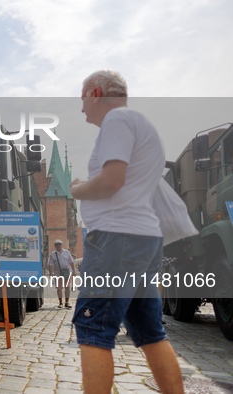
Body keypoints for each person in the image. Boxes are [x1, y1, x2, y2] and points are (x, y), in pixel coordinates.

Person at [69, 70, 183, 393]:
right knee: (150, 333)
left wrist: (77, 189)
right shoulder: (141, 124)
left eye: (82, 100)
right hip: (143, 240)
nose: (81, 109)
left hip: (116, 240)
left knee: (93, 328)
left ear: (95, 93)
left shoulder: (117, 121)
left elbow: (111, 181)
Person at [47, 239, 76, 309]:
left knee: (67, 287)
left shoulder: (67, 252)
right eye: (57, 244)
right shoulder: (53, 254)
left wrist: (74, 271)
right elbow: (50, 264)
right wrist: (51, 273)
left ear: (62, 245)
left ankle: (67, 302)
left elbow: (71, 262)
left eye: (59, 244)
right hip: (58, 273)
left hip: (66, 272)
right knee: (59, 288)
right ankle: (60, 302)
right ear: (55, 246)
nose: (58, 245)